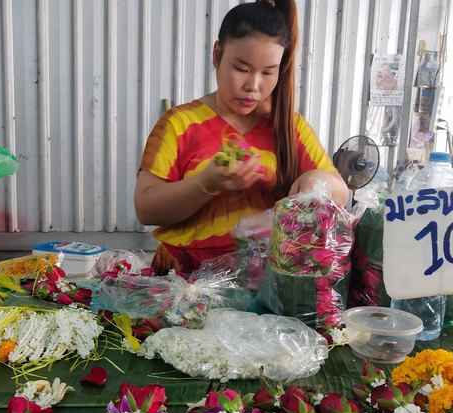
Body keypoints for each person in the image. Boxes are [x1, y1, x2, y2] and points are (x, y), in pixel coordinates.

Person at [134, 0, 346, 275]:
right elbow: (146, 209)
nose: (252, 86)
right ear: (217, 54)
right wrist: (205, 183)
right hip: (185, 286)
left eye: (268, 72)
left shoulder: (290, 127)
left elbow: (340, 193)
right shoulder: (180, 124)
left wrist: (319, 181)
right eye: (241, 69)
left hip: (265, 286)